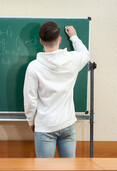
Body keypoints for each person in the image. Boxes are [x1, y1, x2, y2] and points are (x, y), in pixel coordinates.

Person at [23, 22, 90, 158]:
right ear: (59, 39)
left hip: (45, 125)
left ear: (41, 41)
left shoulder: (34, 67)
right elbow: (85, 54)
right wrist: (74, 37)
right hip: (67, 124)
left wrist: (31, 121)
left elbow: (30, 99)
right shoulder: (73, 59)